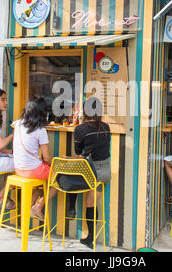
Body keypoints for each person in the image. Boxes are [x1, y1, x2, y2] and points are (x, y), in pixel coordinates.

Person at [71, 96, 111, 249]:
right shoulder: (106, 126)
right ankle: (90, 238)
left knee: (69, 174)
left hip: (90, 172)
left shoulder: (80, 129)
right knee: (92, 203)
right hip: (104, 172)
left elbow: (77, 151)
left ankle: (71, 205)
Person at [12, 98, 57, 220]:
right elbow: (47, 158)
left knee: (40, 182)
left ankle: (27, 206)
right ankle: (38, 206)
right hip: (32, 171)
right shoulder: (40, 130)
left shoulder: (18, 124)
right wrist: (55, 163)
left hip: (18, 169)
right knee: (60, 178)